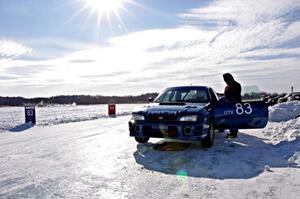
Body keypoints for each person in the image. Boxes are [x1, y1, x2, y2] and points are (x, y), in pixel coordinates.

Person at [223, 73, 242, 138]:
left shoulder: (236, 85)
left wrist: (226, 100)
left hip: (235, 105)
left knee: (233, 119)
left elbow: (234, 95)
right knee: (230, 119)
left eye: (226, 79)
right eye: (224, 79)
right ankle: (232, 132)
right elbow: (226, 96)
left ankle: (233, 134)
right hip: (229, 105)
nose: (225, 80)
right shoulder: (227, 87)